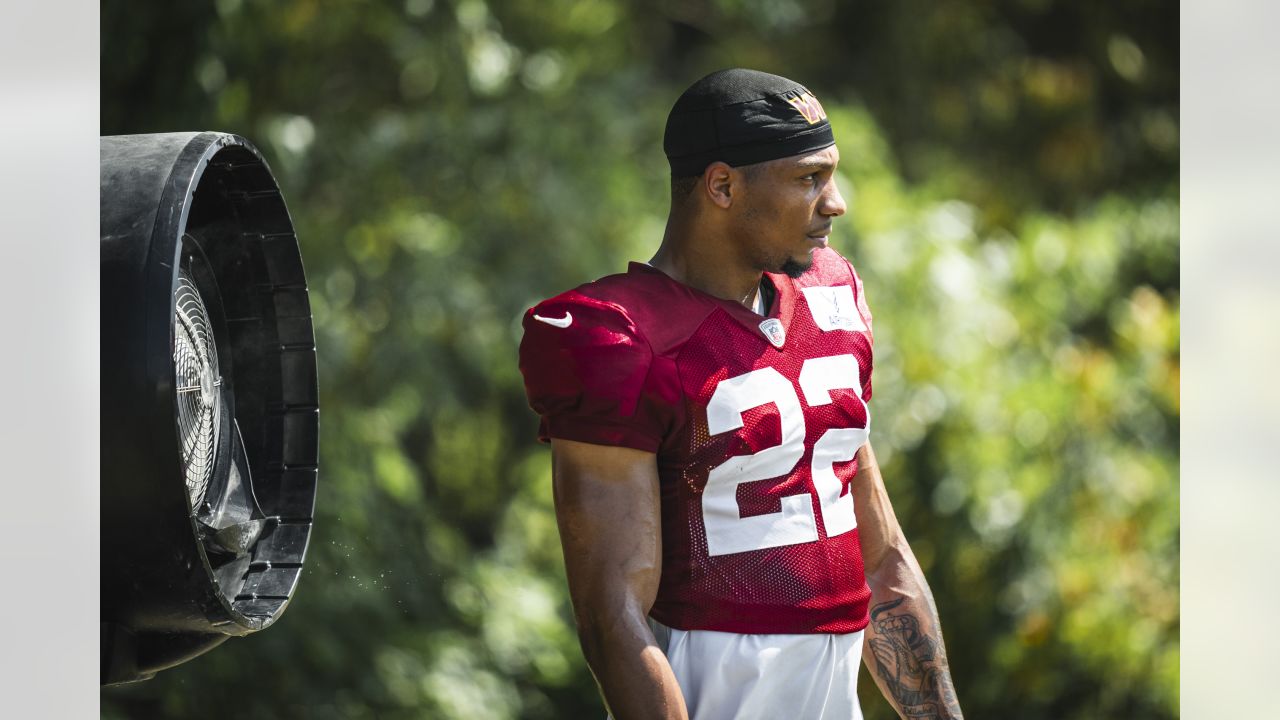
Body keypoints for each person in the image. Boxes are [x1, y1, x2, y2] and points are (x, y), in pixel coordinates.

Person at [518, 68, 964, 720]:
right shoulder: (623, 336)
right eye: (809, 178)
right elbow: (610, 609)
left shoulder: (832, 293)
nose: (835, 202)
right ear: (722, 186)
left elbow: (880, 548)